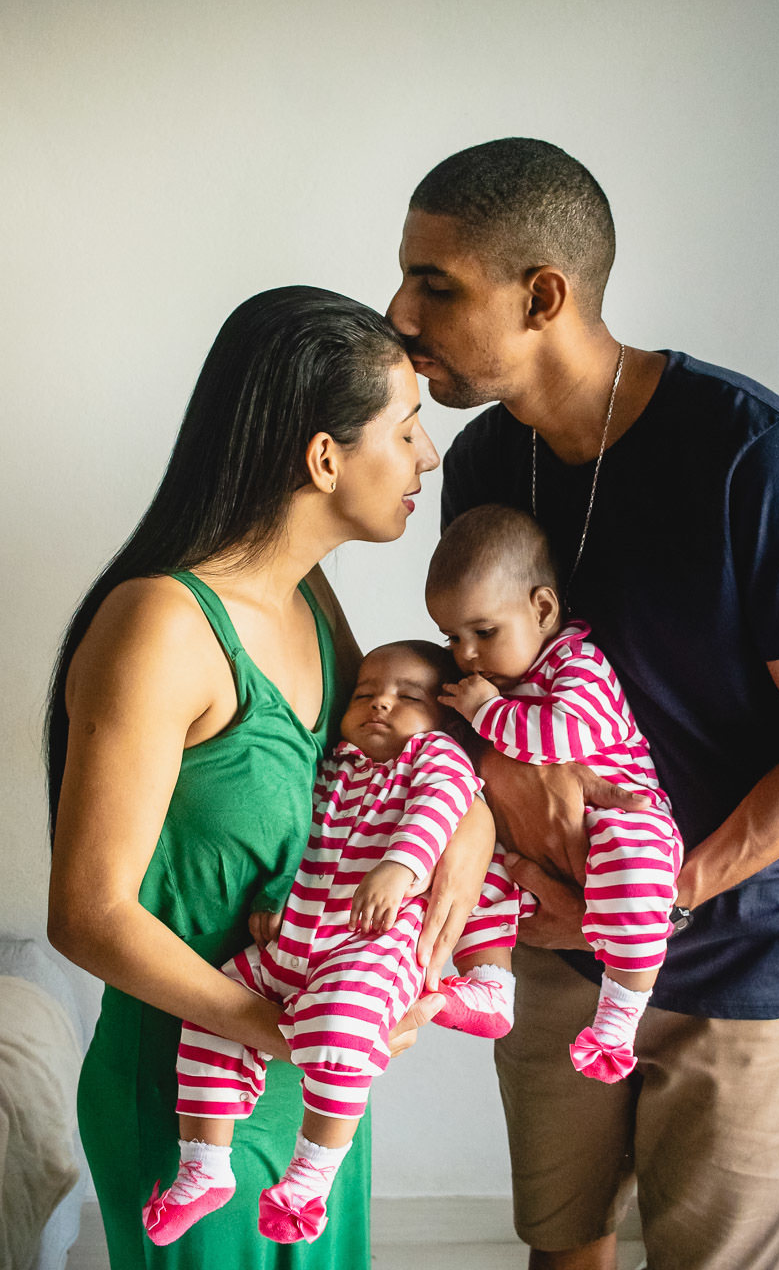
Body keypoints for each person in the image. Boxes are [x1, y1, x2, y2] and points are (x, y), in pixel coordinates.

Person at [387, 138, 779, 1270]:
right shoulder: (488, 462)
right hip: (545, 950)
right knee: (564, 1247)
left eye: (435, 283)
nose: (398, 311)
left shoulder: (751, 452)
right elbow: (488, 694)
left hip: (731, 955)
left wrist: (665, 894)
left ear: (542, 294)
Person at [45, 286, 495, 1270]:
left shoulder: (308, 596)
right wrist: (279, 1031)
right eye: (407, 425)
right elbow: (85, 912)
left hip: (315, 1089)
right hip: (190, 1088)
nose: (426, 455)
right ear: (324, 456)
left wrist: (466, 835)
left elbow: (392, 763)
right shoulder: (159, 626)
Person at [143, 639, 532, 1247]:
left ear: (445, 717)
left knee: (339, 1031)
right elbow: (293, 826)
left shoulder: (436, 756)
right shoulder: (335, 763)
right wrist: (274, 897)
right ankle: (204, 1167)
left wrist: (401, 868)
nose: (380, 704)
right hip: (295, 936)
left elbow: (443, 804)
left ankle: (309, 1178)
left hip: (371, 945)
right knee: (210, 1010)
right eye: (365, 693)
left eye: (407, 697)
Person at [427, 503, 683, 1084]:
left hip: (628, 814)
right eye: (452, 637)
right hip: (543, 855)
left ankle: (618, 1020)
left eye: (484, 632)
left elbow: (558, 739)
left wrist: (488, 712)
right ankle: (490, 986)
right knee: (479, 869)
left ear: (542, 608)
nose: (466, 653)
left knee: (629, 846)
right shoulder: (500, 684)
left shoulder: (578, 663)